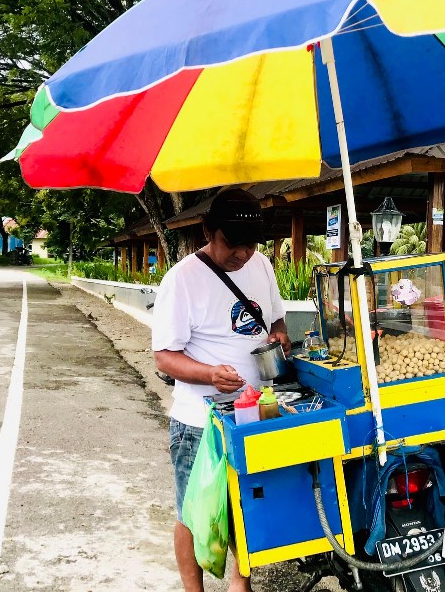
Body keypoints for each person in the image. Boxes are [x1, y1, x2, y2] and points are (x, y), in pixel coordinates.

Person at [152, 188, 290, 592]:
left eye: (249, 245)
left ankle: (239, 583)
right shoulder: (182, 280)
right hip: (199, 422)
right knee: (194, 513)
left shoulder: (261, 265)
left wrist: (280, 336)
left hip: (254, 413)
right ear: (208, 231)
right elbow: (164, 356)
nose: (242, 255)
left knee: (245, 505)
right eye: (232, 244)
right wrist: (210, 374)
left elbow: (276, 319)